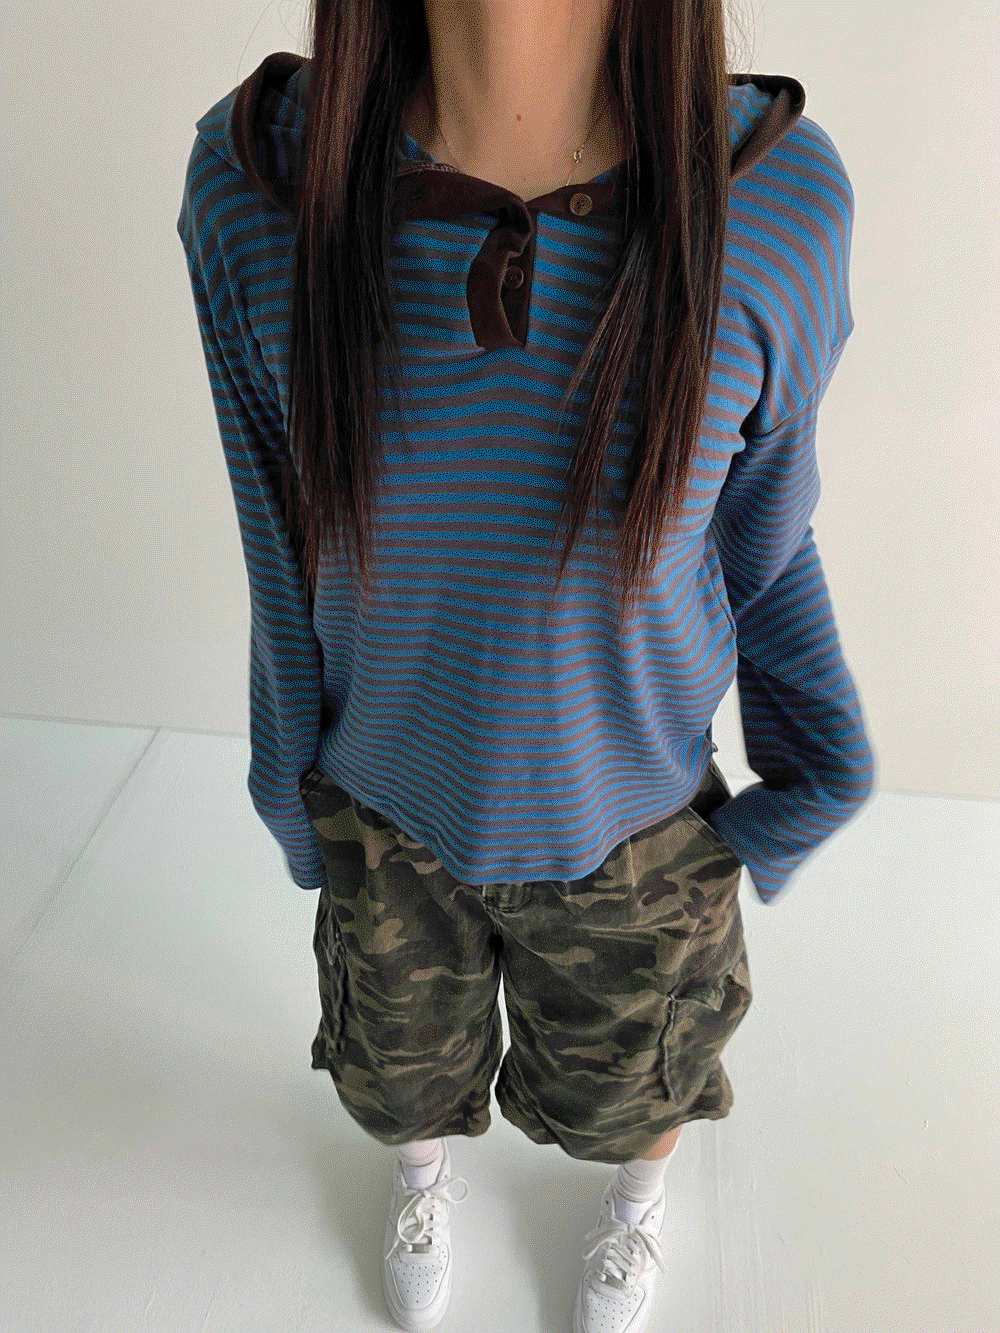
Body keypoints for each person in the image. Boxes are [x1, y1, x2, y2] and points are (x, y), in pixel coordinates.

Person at [176, 2, 876, 1329]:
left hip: (633, 818)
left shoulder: (771, 205)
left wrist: (819, 767)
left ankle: (635, 1202)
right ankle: (422, 1176)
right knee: (396, 1075)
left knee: (640, 1087)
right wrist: (286, 779)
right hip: (385, 806)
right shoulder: (257, 189)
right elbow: (277, 539)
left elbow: (766, 531)